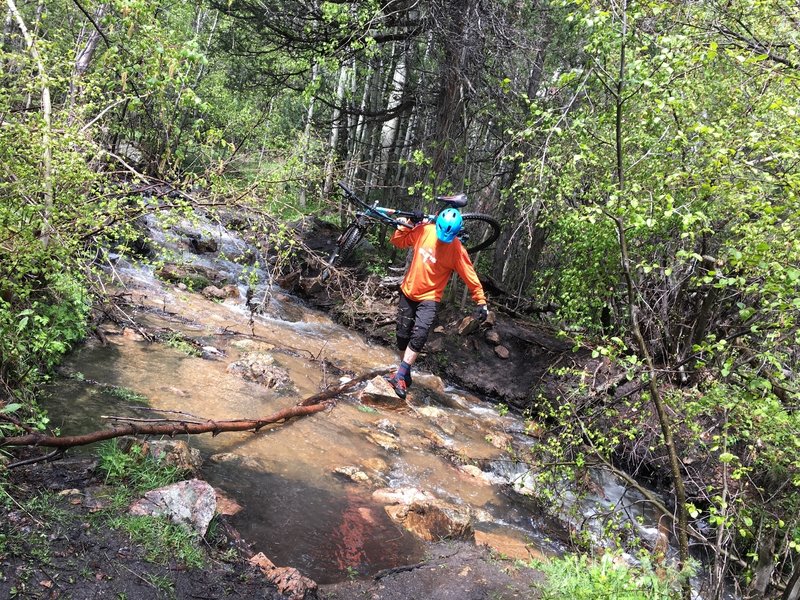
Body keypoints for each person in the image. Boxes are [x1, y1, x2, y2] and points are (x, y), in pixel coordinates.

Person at [384, 207, 488, 399]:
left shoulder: (457, 250)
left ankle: (399, 375)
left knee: (420, 334)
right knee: (401, 335)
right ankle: (404, 374)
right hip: (409, 291)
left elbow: (470, 276)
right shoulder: (425, 230)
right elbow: (398, 241)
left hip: (430, 297)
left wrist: (481, 301)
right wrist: (407, 223)